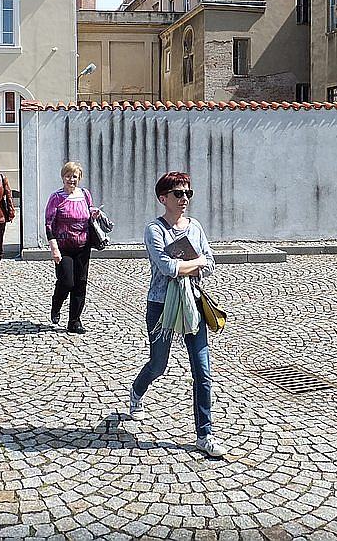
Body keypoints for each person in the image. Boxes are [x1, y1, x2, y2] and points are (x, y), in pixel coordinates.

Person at [130, 171, 226, 458]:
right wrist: (194, 263)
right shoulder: (154, 230)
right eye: (178, 194)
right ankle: (137, 392)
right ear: (163, 198)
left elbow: (210, 263)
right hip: (161, 304)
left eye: (188, 193)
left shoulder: (195, 227)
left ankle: (204, 434)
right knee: (159, 364)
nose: (184, 198)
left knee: (203, 371)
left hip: (193, 302)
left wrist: (193, 263)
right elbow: (166, 268)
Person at [44, 161, 100, 334]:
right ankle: (56, 304)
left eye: (74, 176)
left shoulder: (85, 194)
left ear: (79, 178)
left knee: (80, 284)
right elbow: (48, 223)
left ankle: (74, 321)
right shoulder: (56, 197)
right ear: (63, 177)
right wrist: (53, 246)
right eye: (68, 176)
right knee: (67, 281)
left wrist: (94, 213)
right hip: (63, 246)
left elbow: (89, 211)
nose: (71, 179)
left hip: (83, 245)